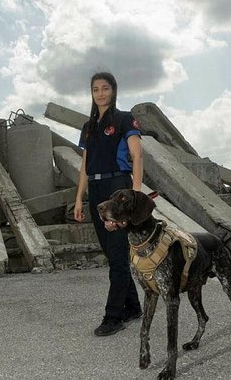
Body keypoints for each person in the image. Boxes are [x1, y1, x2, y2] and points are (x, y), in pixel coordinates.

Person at [74, 71, 143, 336]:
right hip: (96, 189)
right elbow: (84, 165)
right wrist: (79, 198)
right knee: (113, 254)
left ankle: (113, 316)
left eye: (105, 88)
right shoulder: (88, 126)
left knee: (117, 255)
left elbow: (137, 155)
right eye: (95, 89)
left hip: (117, 188)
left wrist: (135, 194)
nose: (100, 93)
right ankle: (133, 306)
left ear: (113, 90)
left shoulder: (124, 119)